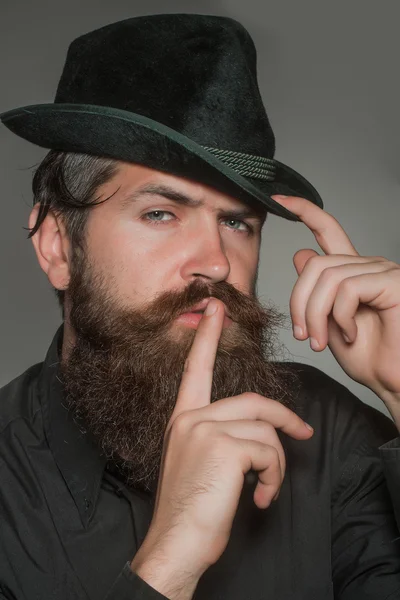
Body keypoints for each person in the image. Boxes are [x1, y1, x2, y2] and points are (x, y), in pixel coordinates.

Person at [1, 13, 400, 600]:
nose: (215, 263)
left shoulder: (328, 433)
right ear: (58, 246)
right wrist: (170, 562)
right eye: (160, 213)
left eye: (236, 222)